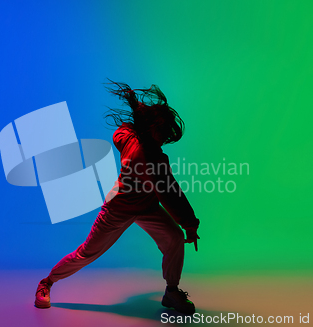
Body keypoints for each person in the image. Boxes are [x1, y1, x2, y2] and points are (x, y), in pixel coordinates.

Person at [34, 81, 200, 315]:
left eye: (165, 131)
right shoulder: (152, 160)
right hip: (118, 208)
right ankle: (47, 282)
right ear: (151, 127)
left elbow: (120, 132)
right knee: (87, 252)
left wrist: (141, 120)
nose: (164, 137)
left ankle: (171, 292)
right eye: (161, 130)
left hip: (147, 207)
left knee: (173, 237)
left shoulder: (128, 137)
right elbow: (171, 195)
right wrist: (190, 225)